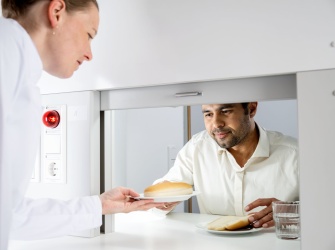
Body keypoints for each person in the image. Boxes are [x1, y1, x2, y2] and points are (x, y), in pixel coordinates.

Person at [0, 1, 163, 249]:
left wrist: (101, 205)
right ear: (56, 12)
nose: (89, 54)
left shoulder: (17, 68)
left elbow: (11, 215)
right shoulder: (6, 54)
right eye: (89, 35)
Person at [154, 102, 299, 228]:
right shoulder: (196, 148)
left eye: (225, 111)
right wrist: (156, 202)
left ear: (252, 109)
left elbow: (320, 209)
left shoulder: (296, 153)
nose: (216, 124)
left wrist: (293, 211)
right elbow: (165, 191)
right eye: (208, 114)